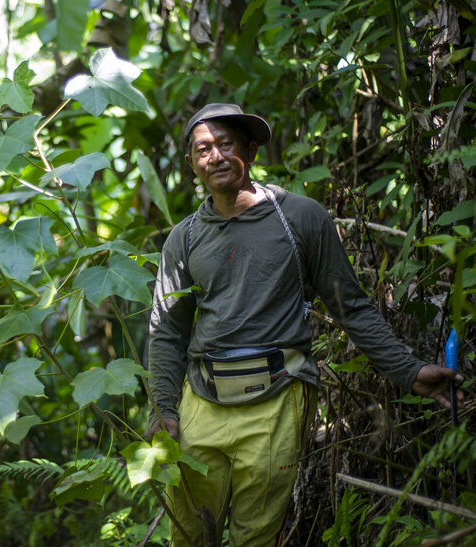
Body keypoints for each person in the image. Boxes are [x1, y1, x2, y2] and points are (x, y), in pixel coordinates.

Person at [146, 103, 464, 547]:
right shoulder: (184, 238)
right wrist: (164, 409)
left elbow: (349, 306)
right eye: (203, 150)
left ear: (250, 151)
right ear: (191, 163)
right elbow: (167, 330)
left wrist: (408, 372)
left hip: (278, 395)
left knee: (256, 537)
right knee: (190, 534)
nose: (215, 157)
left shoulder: (299, 217)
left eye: (225, 145)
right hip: (202, 400)